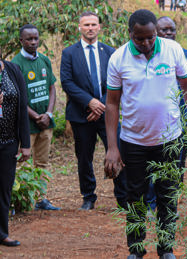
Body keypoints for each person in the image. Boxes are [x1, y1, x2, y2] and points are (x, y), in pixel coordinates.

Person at [104, 9, 187, 259]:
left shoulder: (172, 49)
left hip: (170, 139)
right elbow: (112, 103)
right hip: (133, 142)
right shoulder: (118, 59)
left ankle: (166, 249)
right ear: (130, 34)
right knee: (134, 197)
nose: (147, 43)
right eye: (140, 39)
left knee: (168, 195)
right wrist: (112, 147)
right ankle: (136, 250)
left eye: (151, 37)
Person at [60, 11, 127, 210]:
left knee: (118, 152)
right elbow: (67, 82)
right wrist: (90, 102)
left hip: (108, 113)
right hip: (81, 114)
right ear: (79, 28)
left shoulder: (111, 52)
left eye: (93, 24)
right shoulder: (69, 53)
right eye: (86, 25)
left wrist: (101, 105)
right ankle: (88, 197)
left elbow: (118, 81)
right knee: (84, 157)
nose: (90, 28)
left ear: (99, 27)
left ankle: (123, 199)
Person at [145, 16, 187, 212]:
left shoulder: (184, 53)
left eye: (172, 29)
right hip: (154, 117)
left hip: (179, 114)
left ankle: (170, 201)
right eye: (164, 30)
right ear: (155, 32)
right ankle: (150, 202)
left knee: (177, 161)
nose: (169, 33)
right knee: (152, 161)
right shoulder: (148, 52)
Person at [11, 24, 60, 211]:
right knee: (23, 162)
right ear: (21, 41)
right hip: (27, 124)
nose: (33, 42)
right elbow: (16, 96)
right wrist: (35, 116)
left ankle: (42, 199)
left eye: (36, 38)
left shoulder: (45, 61)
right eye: (29, 39)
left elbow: (51, 88)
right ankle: (22, 200)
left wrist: (48, 113)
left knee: (42, 162)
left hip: (45, 123)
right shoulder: (15, 64)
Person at [0, 56, 31, 247]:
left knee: (4, 189)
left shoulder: (12, 69)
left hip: (8, 142)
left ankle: (2, 233)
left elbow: (22, 106)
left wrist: (25, 143)